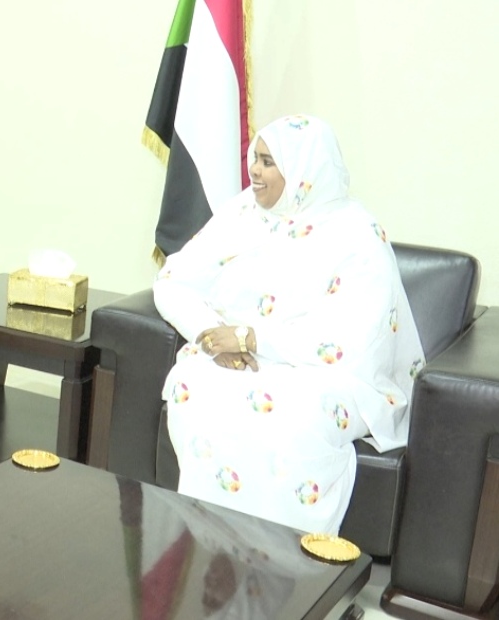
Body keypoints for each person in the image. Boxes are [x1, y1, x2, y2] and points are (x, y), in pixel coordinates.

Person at [152, 114, 424, 535]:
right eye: (255, 159)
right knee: (195, 387)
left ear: (305, 170)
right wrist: (213, 336)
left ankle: (282, 557)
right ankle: (212, 542)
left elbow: (356, 338)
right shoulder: (244, 212)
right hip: (242, 357)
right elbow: (173, 279)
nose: (255, 172)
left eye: (268, 162)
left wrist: (251, 337)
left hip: (328, 372)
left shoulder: (356, 232)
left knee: (291, 420)